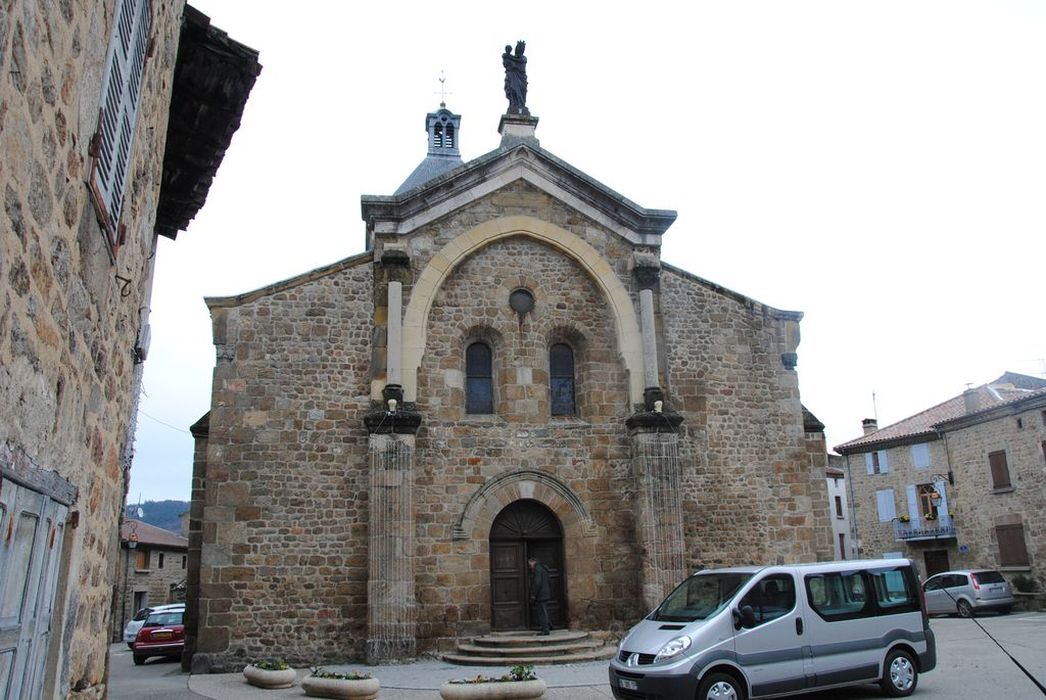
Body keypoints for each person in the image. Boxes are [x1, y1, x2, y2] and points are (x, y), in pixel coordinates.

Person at [502, 40, 528, 113]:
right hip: (513, 78)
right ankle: (514, 105)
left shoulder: (523, 58)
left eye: (522, 49)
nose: (520, 50)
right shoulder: (510, 57)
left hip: (521, 78)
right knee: (513, 90)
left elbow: (519, 62)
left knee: (522, 91)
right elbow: (506, 64)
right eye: (519, 48)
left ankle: (521, 105)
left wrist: (508, 56)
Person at [528, 556, 551, 635]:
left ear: (533, 562)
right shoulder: (543, 568)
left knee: (542, 612)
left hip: (541, 595)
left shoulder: (537, 569)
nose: (529, 566)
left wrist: (533, 594)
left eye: (529, 563)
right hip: (545, 593)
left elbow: (537, 582)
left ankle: (545, 630)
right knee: (544, 611)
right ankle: (549, 626)